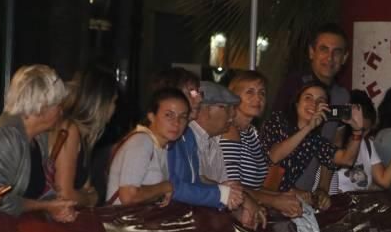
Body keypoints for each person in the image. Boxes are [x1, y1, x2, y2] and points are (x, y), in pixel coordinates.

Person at [0, 65, 76, 222]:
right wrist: (45, 206)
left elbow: (36, 192)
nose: (61, 111)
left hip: (14, 230)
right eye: (58, 104)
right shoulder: (6, 136)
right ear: (42, 106)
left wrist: (55, 207)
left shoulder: (39, 136)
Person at [273, 23, 352, 196]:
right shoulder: (294, 87)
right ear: (311, 52)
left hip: (309, 189)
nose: (330, 58)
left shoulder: (342, 96)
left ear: (345, 57)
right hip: (278, 190)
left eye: (337, 52)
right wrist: (288, 190)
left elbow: (334, 144)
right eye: (324, 49)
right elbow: (272, 145)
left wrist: (323, 187)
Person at [260, 80, 363, 205]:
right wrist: (308, 127)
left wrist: (357, 130)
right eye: (308, 98)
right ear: (297, 103)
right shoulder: (277, 121)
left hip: (280, 203)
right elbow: (274, 156)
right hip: (255, 194)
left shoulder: (314, 140)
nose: (314, 104)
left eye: (320, 101)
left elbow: (347, 159)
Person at [219, 70, 301, 218]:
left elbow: (256, 187)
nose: (258, 98)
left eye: (262, 93)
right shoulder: (230, 130)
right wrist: (275, 200)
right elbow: (234, 188)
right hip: (230, 214)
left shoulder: (253, 132)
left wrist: (287, 196)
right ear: (233, 98)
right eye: (250, 92)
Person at [166, 80, 246, 214]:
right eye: (227, 108)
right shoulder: (175, 135)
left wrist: (224, 192)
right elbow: (175, 186)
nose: (233, 115)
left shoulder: (198, 138)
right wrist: (220, 193)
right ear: (207, 109)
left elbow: (196, 181)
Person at [46, 67, 118, 207]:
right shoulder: (69, 130)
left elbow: (85, 189)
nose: (115, 108)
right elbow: (65, 194)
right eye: (114, 101)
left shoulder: (83, 136)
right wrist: (91, 200)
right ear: (100, 103)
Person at [106, 88, 187, 206]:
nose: (177, 123)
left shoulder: (164, 146)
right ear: (151, 116)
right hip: (124, 221)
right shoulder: (142, 142)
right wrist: (166, 186)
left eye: (183, 117)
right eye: (169, 115)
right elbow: (128, 196)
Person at [336, 89, 391, 192]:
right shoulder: (335, 141)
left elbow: (385, 181)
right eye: (361, 130)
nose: (364, 135)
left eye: (367, 130)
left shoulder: (367, 144)